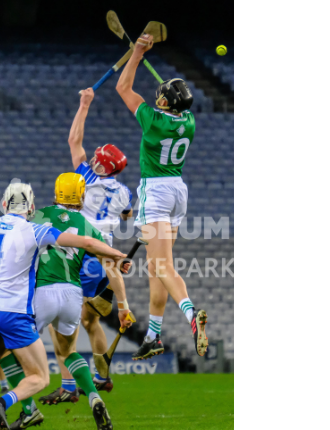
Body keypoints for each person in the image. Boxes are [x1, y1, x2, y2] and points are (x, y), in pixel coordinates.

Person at [0, 183, 129, 430]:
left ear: (3, 205)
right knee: (42, 375)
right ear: (31, 207)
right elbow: (86, 243)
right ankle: (8, 401)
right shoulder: (35, 230)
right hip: (17, 311)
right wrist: (117, 254)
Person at [0, 173, 132, 430]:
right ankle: (94, 397)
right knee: (68, 351)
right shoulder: (87, 225)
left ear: (57, 192)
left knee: (5, 349)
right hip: (73, 295)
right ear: (81, 196)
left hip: (42, 292)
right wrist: (124, 306)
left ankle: (28, 410)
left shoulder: (38, 216)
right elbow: (112, 266)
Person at [37, 86, 135, 398]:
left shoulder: (84, 176)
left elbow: (73, 140)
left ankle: (68, 385)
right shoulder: (123, 192)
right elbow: (127, 216)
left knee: (63, 322)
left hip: (81, 252)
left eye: (98, 159)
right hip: (106, 262)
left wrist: (84, 104)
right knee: (91, 321)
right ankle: (103, 376)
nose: (93, 160)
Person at [116, 33, 208, 360]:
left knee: (163, 267)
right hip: (178, 192)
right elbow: (172, 103)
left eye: (162, 96)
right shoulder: (190, 122)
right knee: (155, 269)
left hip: (155, 191)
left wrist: (137, 53)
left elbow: (123, 89)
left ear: (167, 103)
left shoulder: (153, 122)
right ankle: (154, 335)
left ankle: (190, 315)